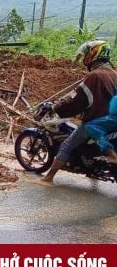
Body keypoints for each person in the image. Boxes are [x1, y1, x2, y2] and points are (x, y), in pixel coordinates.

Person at [42, 40, 117, 183]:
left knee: (66, 145)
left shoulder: (94, 76)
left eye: (86, 55)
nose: (84, 58)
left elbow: (76, 100)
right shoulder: (114, 74)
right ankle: (93, 173)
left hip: (98, 121)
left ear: (94, 54)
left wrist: (55, 107)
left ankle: (48, 178)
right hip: (112, 121)